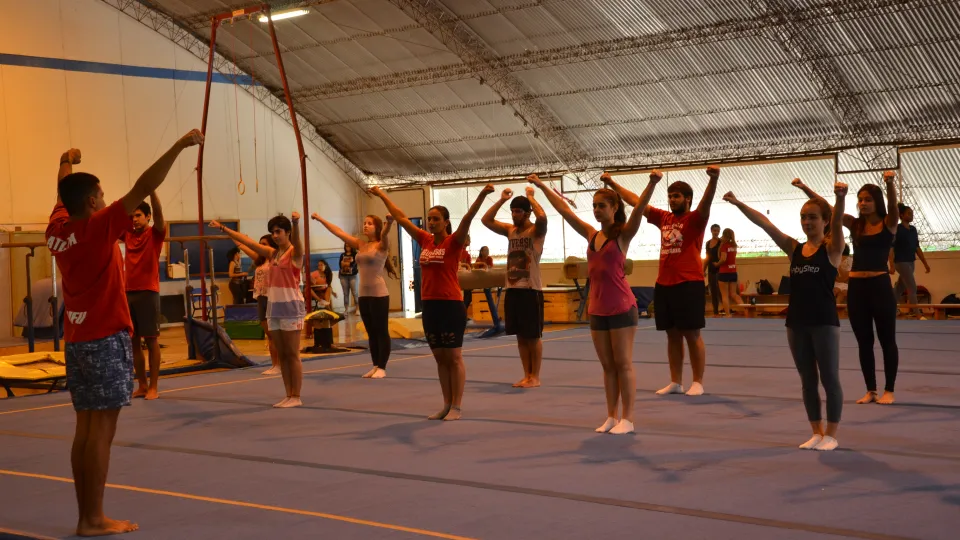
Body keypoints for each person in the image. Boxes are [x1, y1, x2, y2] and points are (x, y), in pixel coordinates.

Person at [47, 129, 202, 536]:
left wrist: (65, 160)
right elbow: (145, 184)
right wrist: (179, 145)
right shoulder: (97, 227)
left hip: (77, 341)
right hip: (104, 338)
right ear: (92, 202)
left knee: (85, 429)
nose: (105, 199)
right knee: (102, 432)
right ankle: (93, 518)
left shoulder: (58, 229)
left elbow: (62, 190)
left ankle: (86, 516)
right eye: (100, 195)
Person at [724, 182, 847, 451]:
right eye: (803, 217)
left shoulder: (832, 249)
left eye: (812, 217)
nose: (806, 222)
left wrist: (840, 198)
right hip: (796, 323)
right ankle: (816, 431)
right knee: (807, 381)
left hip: (824, 322)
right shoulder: (794, 249)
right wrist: (739, 203)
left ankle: (831, 434)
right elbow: (765, 225)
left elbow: (839, 223)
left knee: (829, 379)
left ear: (825, 221)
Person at [535, 171, 660, 434]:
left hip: (622, 307)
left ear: (614, 208)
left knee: (623, 364)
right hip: (598, 309)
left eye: (601, 206)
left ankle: (628, 418)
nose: (596, 210)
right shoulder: (591, 234)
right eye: (594, 206)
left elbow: (639, 209)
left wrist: (652, 183)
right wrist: (541, 185)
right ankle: (611, 416)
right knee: (607, 367)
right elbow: (564, 210)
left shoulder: (623, 235)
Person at [372, 184, 494, 420]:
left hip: (450, 305)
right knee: (440, 358)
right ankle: (446, 404)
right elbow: (401, 217)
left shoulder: (454, 242)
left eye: (436, 219)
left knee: (453, 357)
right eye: (429, 219)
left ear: (446, 222)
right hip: (429, 305)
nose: (431, 222)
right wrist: (381, 195)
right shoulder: (425, 240)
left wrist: (481, 195)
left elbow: (468, 218)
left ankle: (457, 406)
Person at [603, 167, 720, 396]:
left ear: (687, 199)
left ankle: (697, 381)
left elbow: (706, 202)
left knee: (692, 334)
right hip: (665, 284)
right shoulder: (664, 218)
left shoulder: (695, 219)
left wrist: (713, 180)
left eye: (676, 196)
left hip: (689, 283)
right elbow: (637, 202)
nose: (672, 200)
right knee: (672, 334)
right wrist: (613, 184)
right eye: (670, 196)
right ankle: (676, 381)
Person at [794, 173, 901, 405]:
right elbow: (829, 209)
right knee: (864, 341)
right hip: (857, 288)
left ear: (877, 202)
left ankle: (889, 390)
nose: (863, 203)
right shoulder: (855, 224)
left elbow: (893, 206)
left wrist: (890, 184)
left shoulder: (888, 223)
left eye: (868, 200)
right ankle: (871, 390)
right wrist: (804, 188)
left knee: (887, 340)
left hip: (880, 286)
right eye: (860, 199)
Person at [213, 213, 306, 408]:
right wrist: (224, 228)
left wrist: (296, 223)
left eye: (278, 232)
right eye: (273, 232)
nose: (275, 235)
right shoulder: (272, 254)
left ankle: (296, 396)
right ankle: (288, 394)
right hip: (274, 306)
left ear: (287, 232)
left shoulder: (294, 253)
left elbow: (298, 242)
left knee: (292, 354)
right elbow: (247, 242)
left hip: (291, 307)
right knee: (282, 354)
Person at [312, 211, 397, 379]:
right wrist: (321, 219)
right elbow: (339, 232)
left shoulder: (381, 244)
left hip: (379, 294)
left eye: (369, 223)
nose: (365, 225)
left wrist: (389, 223)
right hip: (364, 295)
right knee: (371, 332)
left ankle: (382, 367)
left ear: (377, 227)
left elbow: (385, 234)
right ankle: (375, 365)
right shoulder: (360, 245)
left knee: (381, 331)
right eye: (364, 223)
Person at [481, 185, 547, 388]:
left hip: (530, 290)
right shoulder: (510, 231)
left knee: (532, 336)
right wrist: (501, 200)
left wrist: (531, 197)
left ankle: (535, 376)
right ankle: (526, 375)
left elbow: (542, 217)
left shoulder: (536, 231)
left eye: (518, 211)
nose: (514, 215)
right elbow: (486, 220)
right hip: (512, 289)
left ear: (527, 213)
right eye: (512, 211)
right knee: (520, 336)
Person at [121, 196, 166, 400]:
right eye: (132, 216)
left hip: (148, 292)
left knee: (151, 340)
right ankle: (142, 385)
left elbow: (159, 215)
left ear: (148, 217)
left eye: (138, 215)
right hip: (128, 292)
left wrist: (151, 190)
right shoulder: (128, 234)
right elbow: (113, 218)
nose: (134, 219)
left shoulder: (155, 234)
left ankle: (154, 386)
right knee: (133, 341)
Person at [233, 234, 280, 375]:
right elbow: (243, 246)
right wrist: (229, 233)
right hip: (260, 297)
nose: (260, 247)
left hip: (273, 297)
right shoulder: (259, 259)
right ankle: (275, 365)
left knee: (275, 334)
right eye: (260, 244)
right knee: (269, 335)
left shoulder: (275, 257)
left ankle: (280, 364)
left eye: (264, 244)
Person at [890, 204, 931, 319]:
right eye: (909, 213)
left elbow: (917, 247)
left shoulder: (913, 230)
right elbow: (891, 248)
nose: (911, 215)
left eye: (912, 213)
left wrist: (925, 264)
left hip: (910, 262)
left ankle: (889, 309)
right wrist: (891, 265)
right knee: (912, 287)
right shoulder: (897, 229)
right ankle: (918, 314)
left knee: (899, 288)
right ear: (901, 215)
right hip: (900, 262)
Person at [715, 228, 743, 317]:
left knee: (724, 295)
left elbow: (723, 259)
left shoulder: (724, 246)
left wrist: (717, 264)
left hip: (724, 272)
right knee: (734, 294)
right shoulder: (734, 246)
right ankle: (745, 311)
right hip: (733, 271)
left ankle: (728, 315)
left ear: (724, 235)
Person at [703, 224, 722, 315]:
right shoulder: (708, 243)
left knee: (721, 291)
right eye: (714, 230)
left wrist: (719, 264)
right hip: (711, 269)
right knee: (713, 291)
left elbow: (723, 256)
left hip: (720, 269)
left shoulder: (721, 242)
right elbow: (707, 257)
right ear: (711, 231)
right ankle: (715, 311)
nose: (716, 232)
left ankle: (726, 309)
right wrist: (703, 269)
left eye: (718, 231)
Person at [339, 243, 359, 313]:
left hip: (353, 276)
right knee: (345, 293)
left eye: (349, 245)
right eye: (346, 246)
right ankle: (346, 309)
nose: (347, 247)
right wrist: (346, 263)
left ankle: (357, 309)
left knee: (355, 293)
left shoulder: (355, 254)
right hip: (343, 276)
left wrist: (345, 263)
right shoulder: (342, 255)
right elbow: (340, 265)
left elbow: (353, 265)